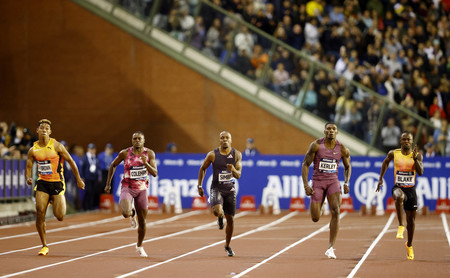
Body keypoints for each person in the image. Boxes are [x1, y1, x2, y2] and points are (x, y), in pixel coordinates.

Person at [25, 119, 85, 256]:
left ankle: (55, 199)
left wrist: (78, 179)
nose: (44, 129)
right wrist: (28, 177)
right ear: (37, 131)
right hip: (42, 183)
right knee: (40, 212)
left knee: (60, 216)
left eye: (47, 127)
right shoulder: (32, 149)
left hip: (57, 183)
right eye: (41, 127)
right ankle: (44, 245)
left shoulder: (57, 146)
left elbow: (71, 161)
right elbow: (28, 167)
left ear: (50, 131)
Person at [302, 122, 351, 259]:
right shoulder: (316, 145)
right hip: (318, 181)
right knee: (315, 218)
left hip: (333, 182)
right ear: (324, 131)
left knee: (336, 210)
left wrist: (346, 182)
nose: (331, 131)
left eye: (334, 129)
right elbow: (305, 164)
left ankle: (331, 248)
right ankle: (322, 203)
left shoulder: (342, 149)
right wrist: (306, 185)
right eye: (328, 129)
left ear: (337, 132)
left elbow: (348, 166)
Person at [105, 131, 157, 257]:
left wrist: (146, 163)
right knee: (125, 213)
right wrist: (108, 184)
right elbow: (113, 165)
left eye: (139, 139)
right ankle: (131, 213)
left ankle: (139, 246)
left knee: (143, 222)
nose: (137, 141)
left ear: (144, 141)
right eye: (135, 139)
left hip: (142, 190)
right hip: (127, 187)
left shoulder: (149, 153)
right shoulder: (124, 153)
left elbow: (155, 173)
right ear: (132, 140)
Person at [376, 132, 424, 260]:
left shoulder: (417, 155)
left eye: (409, 139)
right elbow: (385, 163)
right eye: (404, 139)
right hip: (398, 187)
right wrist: (380, 178)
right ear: (400, 141)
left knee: (412, 221)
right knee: (399, 197)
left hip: (411, 190)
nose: (406, 141)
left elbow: (420, 172)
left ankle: (409, 245)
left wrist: (415, 159)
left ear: (412, 141)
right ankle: (400, 225)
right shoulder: (394, 153)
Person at [197, 131, 242, 257]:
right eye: (222, 138)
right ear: (219, 140)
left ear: (231, 140)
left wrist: (233, 169)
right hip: (216, 188)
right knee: (217, 211)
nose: (224, 140)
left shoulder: (237, 154)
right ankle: (220, 216)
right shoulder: (212, 155)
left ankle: (227, 245)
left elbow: (238, 175)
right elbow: (202, 168)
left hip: (230, 190)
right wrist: (199, 186)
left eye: (227, 137)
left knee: (231, 220)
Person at [80, 143, 101, 211]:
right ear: (88, 149)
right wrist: (82, 177)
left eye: (93, 149)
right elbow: (81, 168)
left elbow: (98, 168)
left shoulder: (96, 158)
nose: (92, 151)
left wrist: (99, 177)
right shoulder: (85, 157)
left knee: (93, 192)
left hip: (94, 178)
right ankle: (85, 207)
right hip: (87, 178)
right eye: (91, 149)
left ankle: (91, 207)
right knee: (87, 192)